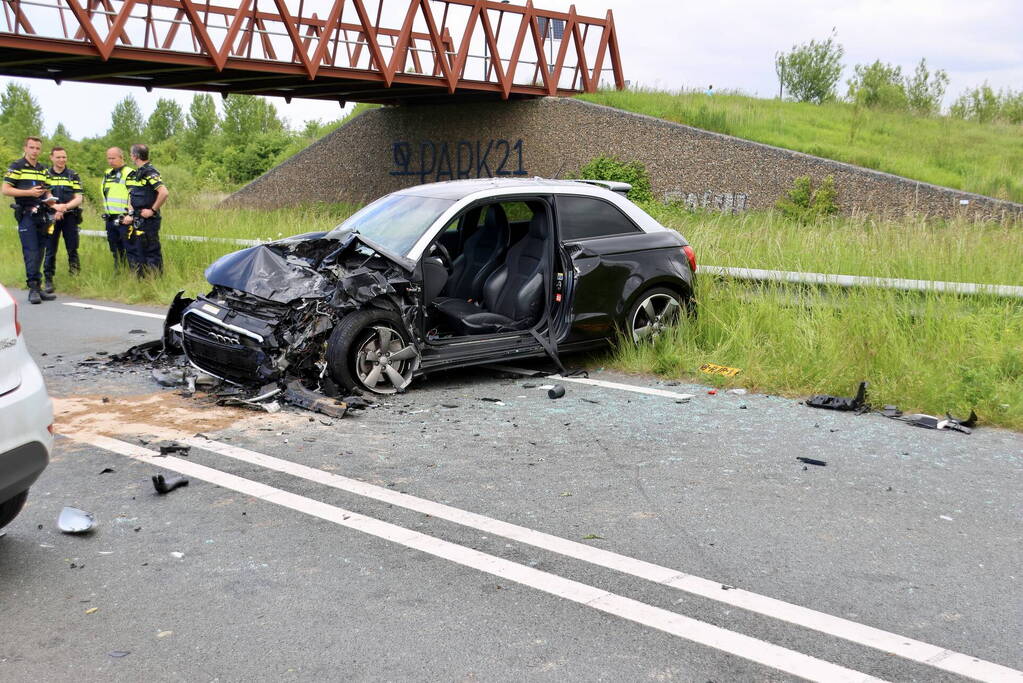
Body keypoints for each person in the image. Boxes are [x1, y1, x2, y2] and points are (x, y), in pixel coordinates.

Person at [2, 136, 56, 304]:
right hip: (26, 215)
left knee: (40, 251)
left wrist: (51, 199)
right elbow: (6, 190)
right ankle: (32, 288)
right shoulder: (16, 166)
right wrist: (29, 193)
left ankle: (39, 287)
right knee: (31, 252)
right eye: (31, 147)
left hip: (43, 214)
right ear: (25, 148)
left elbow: (47, 190)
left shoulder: (42, 169)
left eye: (37, 148)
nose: (34, 151)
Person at [42, 146, 84, 292]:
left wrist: (64, 207)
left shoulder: (73, 175)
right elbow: (45, 195)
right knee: (50, 249)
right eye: (58, 157)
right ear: (51, 158)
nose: (61, 160)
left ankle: (75, 278)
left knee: (72, 248)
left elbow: (79, 198)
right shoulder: (45, 174)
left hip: (70, 217)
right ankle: (48, 280)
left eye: (64, 157)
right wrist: (56, 208)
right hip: (51, 217)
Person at [124, 143, 168, 276]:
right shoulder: (137, 173)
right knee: (139, 251)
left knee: (151, 251)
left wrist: (152, 210)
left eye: (131, 154)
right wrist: (130, 213)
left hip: (149, 220)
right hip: (137, 218)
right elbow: (132, 196)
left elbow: (164, 192)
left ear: (135, 156)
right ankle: (143, 281)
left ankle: (155, 281)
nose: (131, 156)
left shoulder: (150, 172)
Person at [101, 147, 131, 268]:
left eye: (113, 158)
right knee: (114, 248)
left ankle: (132, 273)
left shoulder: (129, 173)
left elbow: (133, 195)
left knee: (128, 247)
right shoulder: (107, 174)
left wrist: (130, 214)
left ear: (121, 157)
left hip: (124, 218)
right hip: (110, 218)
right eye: (109, 158)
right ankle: (119, 271)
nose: (110, 161)